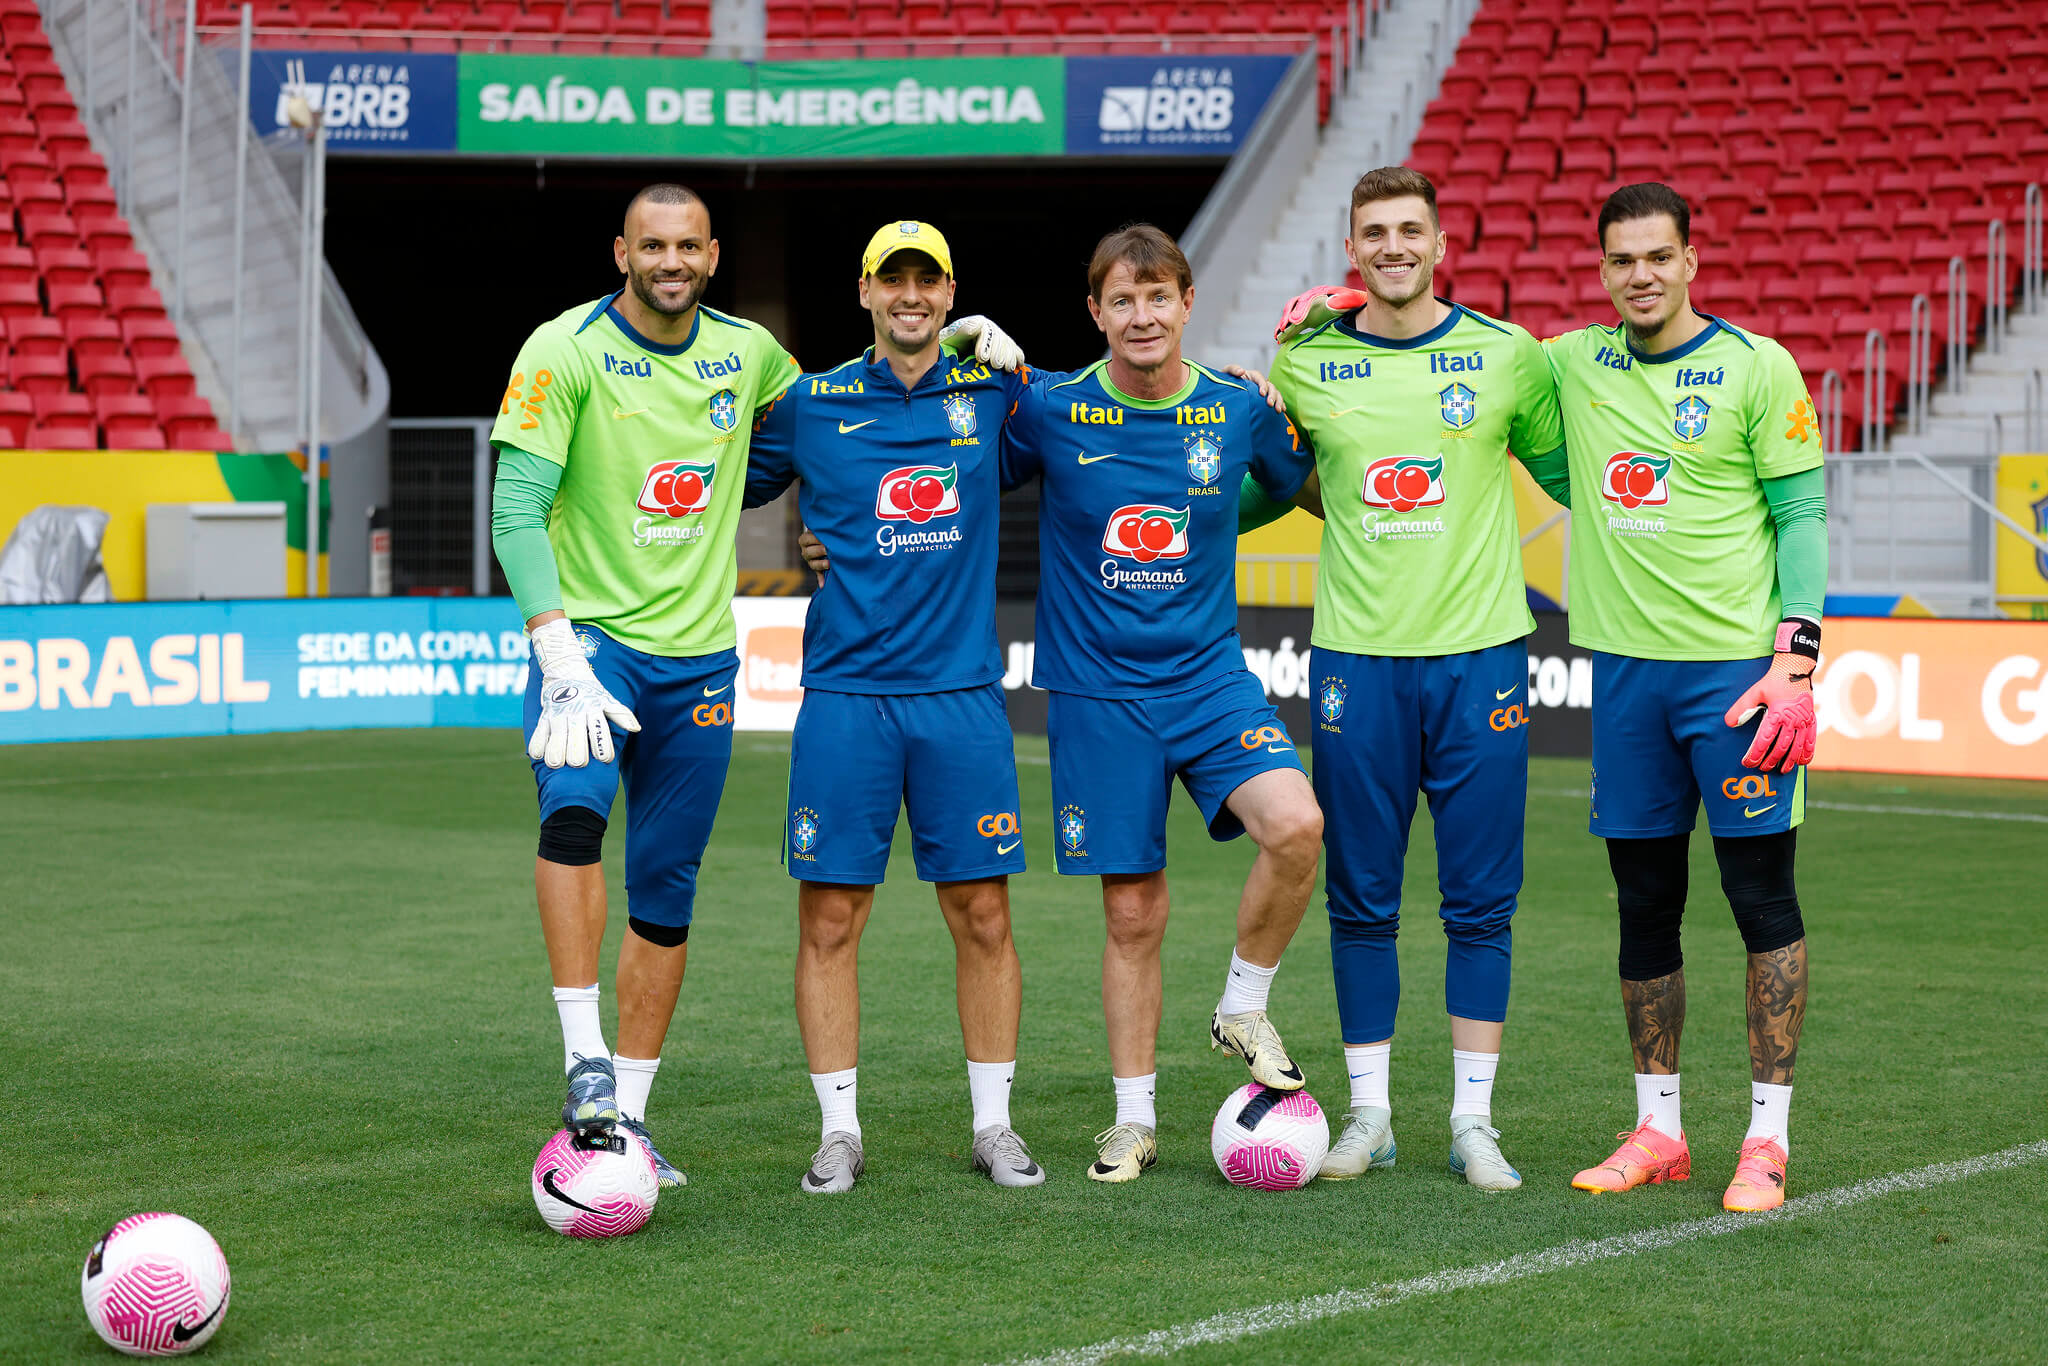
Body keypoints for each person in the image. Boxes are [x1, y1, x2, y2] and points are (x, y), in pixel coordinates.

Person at [1256, 168, 1570, 1192]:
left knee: (1479, 904)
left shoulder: (1505, 356)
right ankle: (1369, 1115)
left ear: (1439, 243)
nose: (1391, 246)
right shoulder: (1304, 358)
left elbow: (1572, 476)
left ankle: (1472, 1123)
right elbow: (1286, 480)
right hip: (1355, 659)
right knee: (1360, 900)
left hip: (1481, 656)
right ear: (1351, 251)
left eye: (1407, 230)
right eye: (1371, 233)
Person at [489, 183, 798, 1188]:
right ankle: (582, 1057)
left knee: (665, 887)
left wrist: (958, 365)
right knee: (572, 816)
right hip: (589, 649)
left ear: (712, 256)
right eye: (651, 245)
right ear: (620, 251)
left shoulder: (748, 352)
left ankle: (625, 1118)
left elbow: (828, 428)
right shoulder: (561, 348)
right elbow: (517, 508)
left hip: (701, 657)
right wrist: (555, 648)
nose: (671, 261)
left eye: (689, 247)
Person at [1001, 224, 1324, 1183]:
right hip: (1099, 694)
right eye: (1122, 300)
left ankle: (1242, 1005)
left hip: (1209, 681)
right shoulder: (1051, 407)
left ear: (1187, 304)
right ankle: (1134, 1118)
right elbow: (956, 475)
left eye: (1159, 296)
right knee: (1134, 914)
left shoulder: (1235, 407)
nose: (1142, 316)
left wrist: (1303, 379)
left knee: (1298, 826)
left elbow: (1304, 483)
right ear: (1095, 313)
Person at [741, 220, 1043, 1194]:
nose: (910, 296)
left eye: (928, 280)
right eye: (892, 279)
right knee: (829, 917)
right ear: (863, 290)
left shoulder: (991, 392)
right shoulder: (810, 403)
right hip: (844, 698)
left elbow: (1100, 434)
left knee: (983, 915)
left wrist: (1022, 363)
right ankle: (839, 1131)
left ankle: (993, 1124)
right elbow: (712, 490)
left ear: (950, 293)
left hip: (959, 697)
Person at [1547, 183, 1825, 1213]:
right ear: (1602, 269)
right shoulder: (1573, 361)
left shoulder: (1755, 367)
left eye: (1655, 257)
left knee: (1760, 902)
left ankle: (1764, 1138)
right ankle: (1657, 1127)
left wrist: (1795, 655)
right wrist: (1351, 303)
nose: (1638, 275)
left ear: (1689, 259)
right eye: (1619, 260)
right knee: (1641, 906)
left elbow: (1798, 510)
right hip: (1621, 674)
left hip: (1735, 681)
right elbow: (1478, 369)